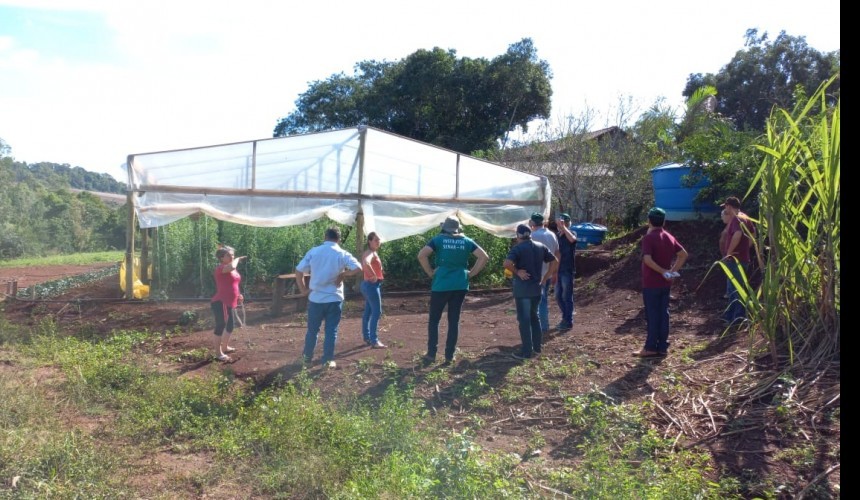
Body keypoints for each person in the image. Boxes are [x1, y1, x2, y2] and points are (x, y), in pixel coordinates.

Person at [417, 215, 489, 365]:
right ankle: (450, 355)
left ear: (444, 228)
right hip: (460, 285)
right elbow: (484, 257)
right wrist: (471, 273)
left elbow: (421, 255)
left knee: (434, 320)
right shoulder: (467, 241)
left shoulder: (438, 240)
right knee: (454, 320)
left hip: (441, 285)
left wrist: (430, 272)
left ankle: (431, 354)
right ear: (457, 229)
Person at [295, 227, 363, 369]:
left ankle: (306, 359)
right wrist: (343, 274)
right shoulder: (342, 253)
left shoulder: (314, 251)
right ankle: (327, 361)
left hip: (316, 298)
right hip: (334, 298)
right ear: (339, 239)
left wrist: (303, 290)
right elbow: (358, 268)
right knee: (331, 331)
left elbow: (299, 270)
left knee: (312, 330)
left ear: (325, 237)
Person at [635, 207, 688, 358]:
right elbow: (683, 254)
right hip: (665, 284)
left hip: (651, 283)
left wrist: (662, 271)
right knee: (663, 314)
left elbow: (647, 259)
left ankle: (651, 347)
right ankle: (662, 347)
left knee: (652, 315)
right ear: (664, 221)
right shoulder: (669, 237)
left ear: (649, 221)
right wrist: (670, 271)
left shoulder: (649, 238)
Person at [504, 224, 558, 360]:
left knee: (524, 320)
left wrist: (517, 271)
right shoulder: (540, 246)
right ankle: (537, 348)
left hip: (523, 291)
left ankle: (526, 352)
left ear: (518, 235)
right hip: (536, 289)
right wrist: (546, 277)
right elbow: (555, 261)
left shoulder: (518, 248)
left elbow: (507, 263)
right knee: (534, 317)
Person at [721, 196, 756, 324]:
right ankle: (732, 316)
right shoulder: (745, 217)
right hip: (743, 258)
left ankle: (736, 318)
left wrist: (729, 253)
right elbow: (753, 234)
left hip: (735, 260)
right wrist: (746, 247)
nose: (725, 210)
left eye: (725, 207)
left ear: (729, 206)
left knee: (734, 290)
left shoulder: (736, 219)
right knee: (738, 288)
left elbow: (737, 234)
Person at [211, 245, 246, 362]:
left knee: (230, 325)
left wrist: (239, 295)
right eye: (229, 255)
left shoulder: (232, 269)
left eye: (233, 255)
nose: (232, 256)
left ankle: (225, 347)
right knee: (221, 325)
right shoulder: (221, 268)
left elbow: (234, 283)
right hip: (221, 302)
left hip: (230, 302)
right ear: (222, 258)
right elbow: (232, 267)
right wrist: (237, 259)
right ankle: (218, 353)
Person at [528, 213, 559, 334]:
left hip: (535, 274)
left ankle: (537, 328)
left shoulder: (533, 236)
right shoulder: (552, 235)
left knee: (534, 303)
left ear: (532, 223)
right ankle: (544, 326)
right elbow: (557, 254)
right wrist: (555, 272)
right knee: (543, 300)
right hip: (548, 272)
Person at [360, 231, 386, 348]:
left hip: (367, 285)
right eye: (375, 240)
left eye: (379, 240)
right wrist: (374, 275)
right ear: (369, 241)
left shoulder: (370, 252)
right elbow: (366, 262)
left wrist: (376, 273)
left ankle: (367, 337)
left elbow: (366, 263)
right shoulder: (370, 253)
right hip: (372, 286)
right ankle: (374, 340)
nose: (378, 242)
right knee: (377, 312)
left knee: (368, 311)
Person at [554, 213, 578, 332]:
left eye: (565, 222)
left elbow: (572, 240)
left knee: (566, 296)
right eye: (560, 223)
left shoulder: (572, 233)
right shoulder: (557, 236)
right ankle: (566, 317)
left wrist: (564, 228)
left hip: (567, 270)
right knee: (558, 296)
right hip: (558, 269)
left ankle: (568, 321)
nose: (561, 225)